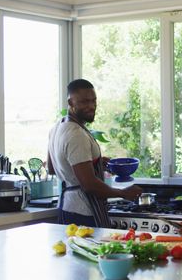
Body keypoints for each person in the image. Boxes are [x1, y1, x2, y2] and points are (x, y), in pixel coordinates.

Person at [47, 78, 142, 227]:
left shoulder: (57, 128)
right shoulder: (76, 134)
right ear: (70, 102)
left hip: (66, 208)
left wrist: (94, 162)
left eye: (94, 101)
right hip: (83, 212)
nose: (91, 106)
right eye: (84, 102)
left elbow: (53, 168)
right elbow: (89, 185)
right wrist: (123, 193)